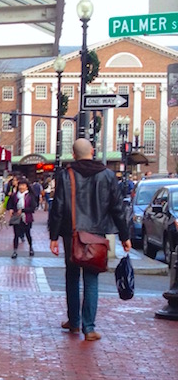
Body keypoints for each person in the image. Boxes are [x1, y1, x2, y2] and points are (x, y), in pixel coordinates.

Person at [48, 138, 131, 341]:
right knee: (92, 280)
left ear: (73, 154)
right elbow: (118, 209)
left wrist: (53, 236)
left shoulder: (66, 175)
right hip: (97, 234)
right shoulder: (108, 176)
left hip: (72, 234)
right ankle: (89, 327)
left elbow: (58, 207)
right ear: (92, 151)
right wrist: (125, 236)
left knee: (72, 277)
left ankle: (74, 322)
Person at [7, 177, 36, 258]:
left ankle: (31, 248)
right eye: (20, 185)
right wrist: (11, 209)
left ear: (27, 187)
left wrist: (23, 210)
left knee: (28, 234)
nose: (21, 187)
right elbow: (10, 204)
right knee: (16, 235)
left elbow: (33, 207)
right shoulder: (14, 196)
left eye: (23, 185)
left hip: (27, 218)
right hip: (17, 218)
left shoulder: (30, 196)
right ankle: (15, 251)